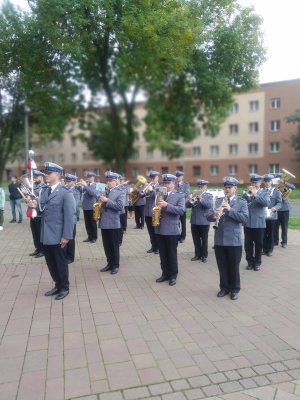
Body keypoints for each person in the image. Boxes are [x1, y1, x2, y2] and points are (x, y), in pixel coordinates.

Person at [30, 162, 76, 300]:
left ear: (57, 174)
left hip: (58, 235)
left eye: (48, 173)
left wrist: (67, 236)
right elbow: (41, 210)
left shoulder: (65, 193)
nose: (46, 175)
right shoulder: (45, 190)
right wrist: (33, 206)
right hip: (45, 234)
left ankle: (64, 287)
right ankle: (57, 285)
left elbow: (70, 216)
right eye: (45, 173)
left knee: (60, 262)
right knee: (50, 262)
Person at [207, 177, 248, 300]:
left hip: (234, 241)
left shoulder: (242, 202)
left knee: (233, 266)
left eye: (229, 187)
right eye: (225, 187)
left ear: (235, 188)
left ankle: (234, 289)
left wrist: (230, 210)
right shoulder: (218, 200)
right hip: (220, 239)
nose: (227, 189)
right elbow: (208, 217)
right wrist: (214, 214)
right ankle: (224, 288)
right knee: (222, 265)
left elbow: (245, 219)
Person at [155, 174, 186, 286]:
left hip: (172, 230)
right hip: (159, 228)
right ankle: (165, 273)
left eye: (168, 183)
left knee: (171, 254)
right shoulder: (159, 193)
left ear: (174, 184)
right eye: (165, 183)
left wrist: (167, 205)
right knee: (163, 254)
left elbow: (182, 210)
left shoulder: (180, 195)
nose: (166, 185)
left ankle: (173, 275)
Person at [241, 174, 270, 271]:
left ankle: (257, 263)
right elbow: (241, 204)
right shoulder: (246, 193)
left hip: (259, 223)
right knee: (248, 244)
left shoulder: (265, 192)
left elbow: (266, 203)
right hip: (248, 222)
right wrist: (247, 196)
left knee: (258, 244)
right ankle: (249, 262)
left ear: (260, 183)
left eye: (256, 182)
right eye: (252, 182)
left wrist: (255, 195)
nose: (254, 184)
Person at [99, 171, 126, 275]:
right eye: (107, 180)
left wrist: (107, 200)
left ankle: (115, 265)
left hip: (114, 223)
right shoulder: (104, 190)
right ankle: (109, 263)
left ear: (115, 181)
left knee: (114, 245)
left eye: (110, 181)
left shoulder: (120, 192)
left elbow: (120, 207)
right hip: (104, 221)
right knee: (106, 245)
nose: (108, 182)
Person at [186, 179, 213, 263]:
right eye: (199, 186)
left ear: (206, 187)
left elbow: (209, 205)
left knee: (204, 239)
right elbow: (187, 205)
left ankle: (204, 256)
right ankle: (197, 255)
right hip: (194, 220)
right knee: (196, 239)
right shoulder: (193, 194)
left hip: (204, 221)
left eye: (202, 186)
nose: (200, 188)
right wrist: (191, 200)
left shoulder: (209, 195)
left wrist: (200, 199)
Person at [262, 174, 282, 256]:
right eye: (266, 181)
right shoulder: (261, 191)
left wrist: (274, 208)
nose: (267, 183)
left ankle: (270, 250)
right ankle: (264, 249)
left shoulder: (276, 191)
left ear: (271, 182)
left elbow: (280, 203)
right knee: (263, 233)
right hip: (262, 216)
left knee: (270, 233)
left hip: (272, 216)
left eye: (268, 181)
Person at [64, 173, 81, 264]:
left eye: (69, 181)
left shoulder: (76, 192)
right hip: (64, 218)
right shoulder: (64, 189)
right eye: (66, 181)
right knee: (64, 237)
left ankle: (70, 257)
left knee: (70, 239)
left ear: (74, 181)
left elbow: (75, 205)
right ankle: (65, 255)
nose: (67, 182)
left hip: (71, 218)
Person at [28, 170, 46, 258]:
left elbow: (42, 199)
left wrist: (32, 188)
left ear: (41, 177)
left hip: (39, 213)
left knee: (40, 233)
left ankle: (43, 250)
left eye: (36, 177)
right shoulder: (33, 186)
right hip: (33, 213)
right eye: (34, 177)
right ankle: (38, 248)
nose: (35, 179)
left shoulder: (44, 187)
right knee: (34, 232)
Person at [143, 170, 160, 254]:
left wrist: (152, 190)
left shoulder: (161, 186)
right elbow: (141, 195)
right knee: (150, 231)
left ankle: (158, 247)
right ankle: (153, 246)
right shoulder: (148, 185)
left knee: (156, 230)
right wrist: (145, 189)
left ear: (157, 178)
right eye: (151, 178)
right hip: (147, 211)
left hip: (155, 211)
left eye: (154, 178)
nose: (152, 179)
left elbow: (159, 196)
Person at [274, 182, 296, 248]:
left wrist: (285, 183)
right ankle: (275, 241)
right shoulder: (275, 187)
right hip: (276, 209)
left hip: (285, 209)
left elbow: (293, 187)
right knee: (275, 227)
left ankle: (284, 242)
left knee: (284, 227)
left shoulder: (285, 187)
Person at [81, 171, 98, 243]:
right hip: (85, 207)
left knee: (93, 223)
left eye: (90, 177)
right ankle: (89, 236)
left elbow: (93, 194)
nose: (88, 178)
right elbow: (80, 191)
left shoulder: (96, 185)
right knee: (87, 224)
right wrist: (80, 186)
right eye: (88, 177)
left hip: (92, 207)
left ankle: (94, 237)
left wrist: (85, 185)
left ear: (93, 177)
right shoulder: (87, 185)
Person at [175, 170, 190, 243]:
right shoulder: (173, 184)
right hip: (175, 206)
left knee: (183, 223)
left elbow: (186, 194)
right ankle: (177, 235)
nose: (178, 178)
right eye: (177, 176)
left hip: (182, 206)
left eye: (179, 176)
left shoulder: (186, 184)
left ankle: (183, 237)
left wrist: (178, 196)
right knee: (176, 222)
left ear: (182, 177)